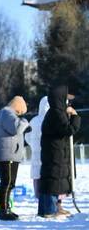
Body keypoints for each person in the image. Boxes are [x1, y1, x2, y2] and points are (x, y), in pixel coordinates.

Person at [39, 85, 81, 218]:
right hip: (55, 153)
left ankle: (50, 208)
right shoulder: (56, 113)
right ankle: (50, 210)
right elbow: (68, 130)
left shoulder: (55, 112)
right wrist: (75, 116)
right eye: (66, 99)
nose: (68, 102)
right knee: (53, 180)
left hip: (55, 151)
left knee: (52, 179)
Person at [0, 96, 30, 221]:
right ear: (18, 107)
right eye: (21, 112)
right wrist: (25, 122)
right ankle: (4, 211)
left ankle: (6, 209)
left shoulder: (4, 113)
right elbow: (16, 129)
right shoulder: (7, 113)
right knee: (7, 182)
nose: (21, 114)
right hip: (7, 154)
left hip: (7, 153)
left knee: (9, 183)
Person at [25, 96, 49, 198]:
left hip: (35, 153)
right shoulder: (51, 119)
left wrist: (34, 145)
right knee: (47, 175)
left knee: (36, 175)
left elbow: (27, 136)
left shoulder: (34, 121)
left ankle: (37, 195)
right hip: (48, 153)